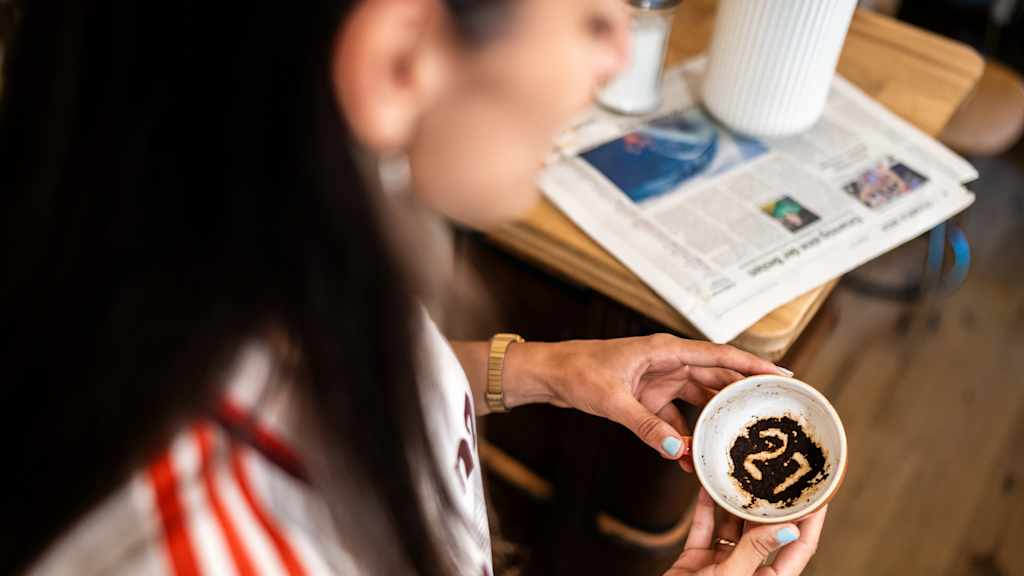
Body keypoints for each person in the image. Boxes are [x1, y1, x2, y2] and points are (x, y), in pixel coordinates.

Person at [0, 0, 827, 574]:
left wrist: (542, 371)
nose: (617, 58)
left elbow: (317, 386)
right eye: (591, 17)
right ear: (398, 60)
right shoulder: (215, 552)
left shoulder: (242, 252)